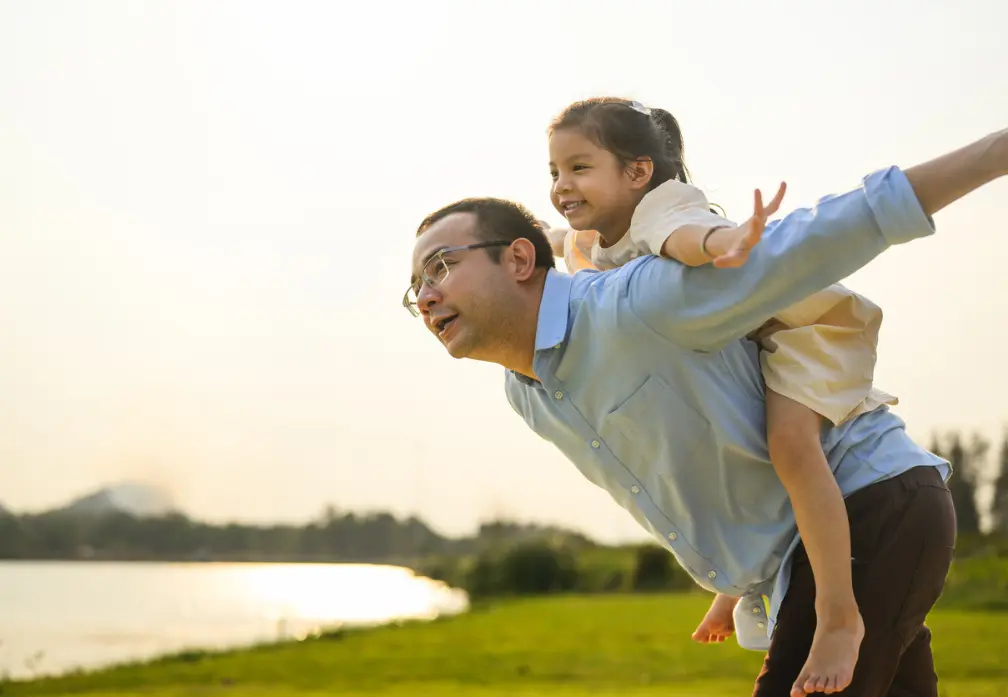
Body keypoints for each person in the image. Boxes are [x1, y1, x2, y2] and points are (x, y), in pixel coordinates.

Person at [404, 125, 1007, 696]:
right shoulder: (527, 392)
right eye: (416, 287)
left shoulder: (635, 303)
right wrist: (732, 583)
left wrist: (994, 152)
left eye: (442, 266)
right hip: (813, 552)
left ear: (516, 261)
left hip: (874, 505)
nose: (426, 295)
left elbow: (813, 239)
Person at [540, 97, 903, 694]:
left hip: (799, 334)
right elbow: (560, 239)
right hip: (739, 349)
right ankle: (741, 582)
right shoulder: (595, 237)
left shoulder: (662, 206)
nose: (562, 184)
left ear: (636, 172)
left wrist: (726, 244)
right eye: (554, 172)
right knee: (728, 444)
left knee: (788, 444)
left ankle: (839, 615)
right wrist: (523, 239)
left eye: (579, 168)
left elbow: (688, 236)